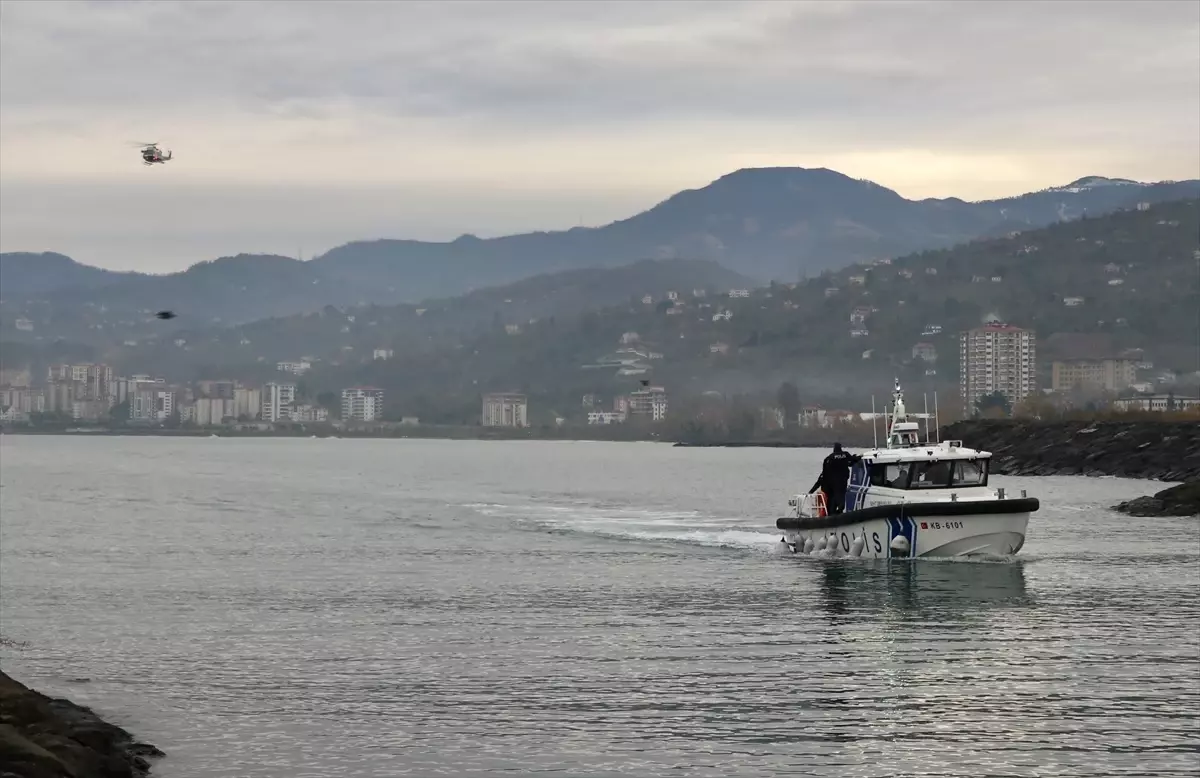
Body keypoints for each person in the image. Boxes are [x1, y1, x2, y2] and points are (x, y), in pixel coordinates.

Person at [819, 442, 861, 514]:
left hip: (833, 483)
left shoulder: (830, 457)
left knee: (833, 498)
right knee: (841, 497)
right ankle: (839, 511)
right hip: (843, 481)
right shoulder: (845, 454)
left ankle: (832, 513)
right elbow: (853, 460)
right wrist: (858, 457)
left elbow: (825, 471)